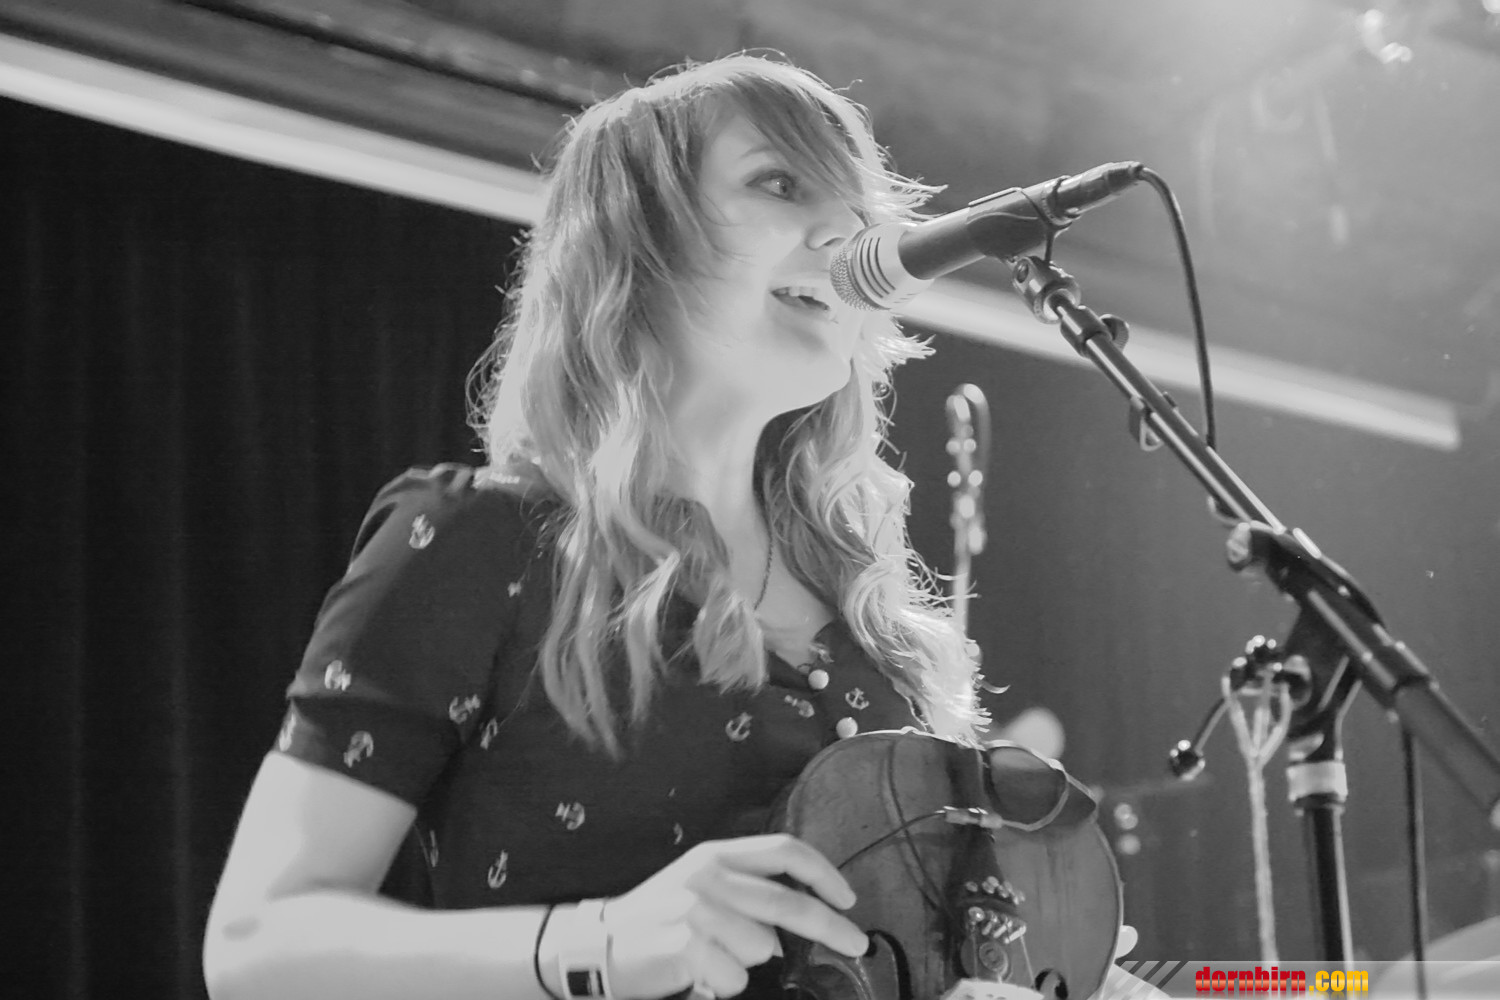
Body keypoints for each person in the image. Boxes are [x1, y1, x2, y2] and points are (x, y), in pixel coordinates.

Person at [202, 52, 990, 1000]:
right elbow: (255, 948)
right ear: (636, 236)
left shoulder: (871, 614)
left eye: (857, 209)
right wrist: (602, 943)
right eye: (780, 183)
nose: (848, 235)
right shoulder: (484, 541)